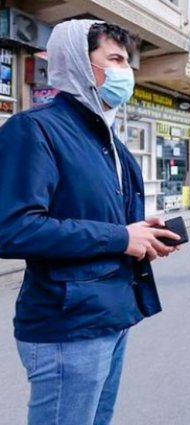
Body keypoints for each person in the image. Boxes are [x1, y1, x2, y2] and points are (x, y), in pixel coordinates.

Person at [0, 20, 180, 425]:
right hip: (67, 325)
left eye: (127, 62)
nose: (125, 72)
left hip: (111, 315)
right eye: (114, 59)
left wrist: (144, 233)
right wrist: (120, 237)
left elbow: (100, 220)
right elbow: (11, 228)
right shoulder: (35, 129)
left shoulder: (108, 141)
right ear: (79, 62)